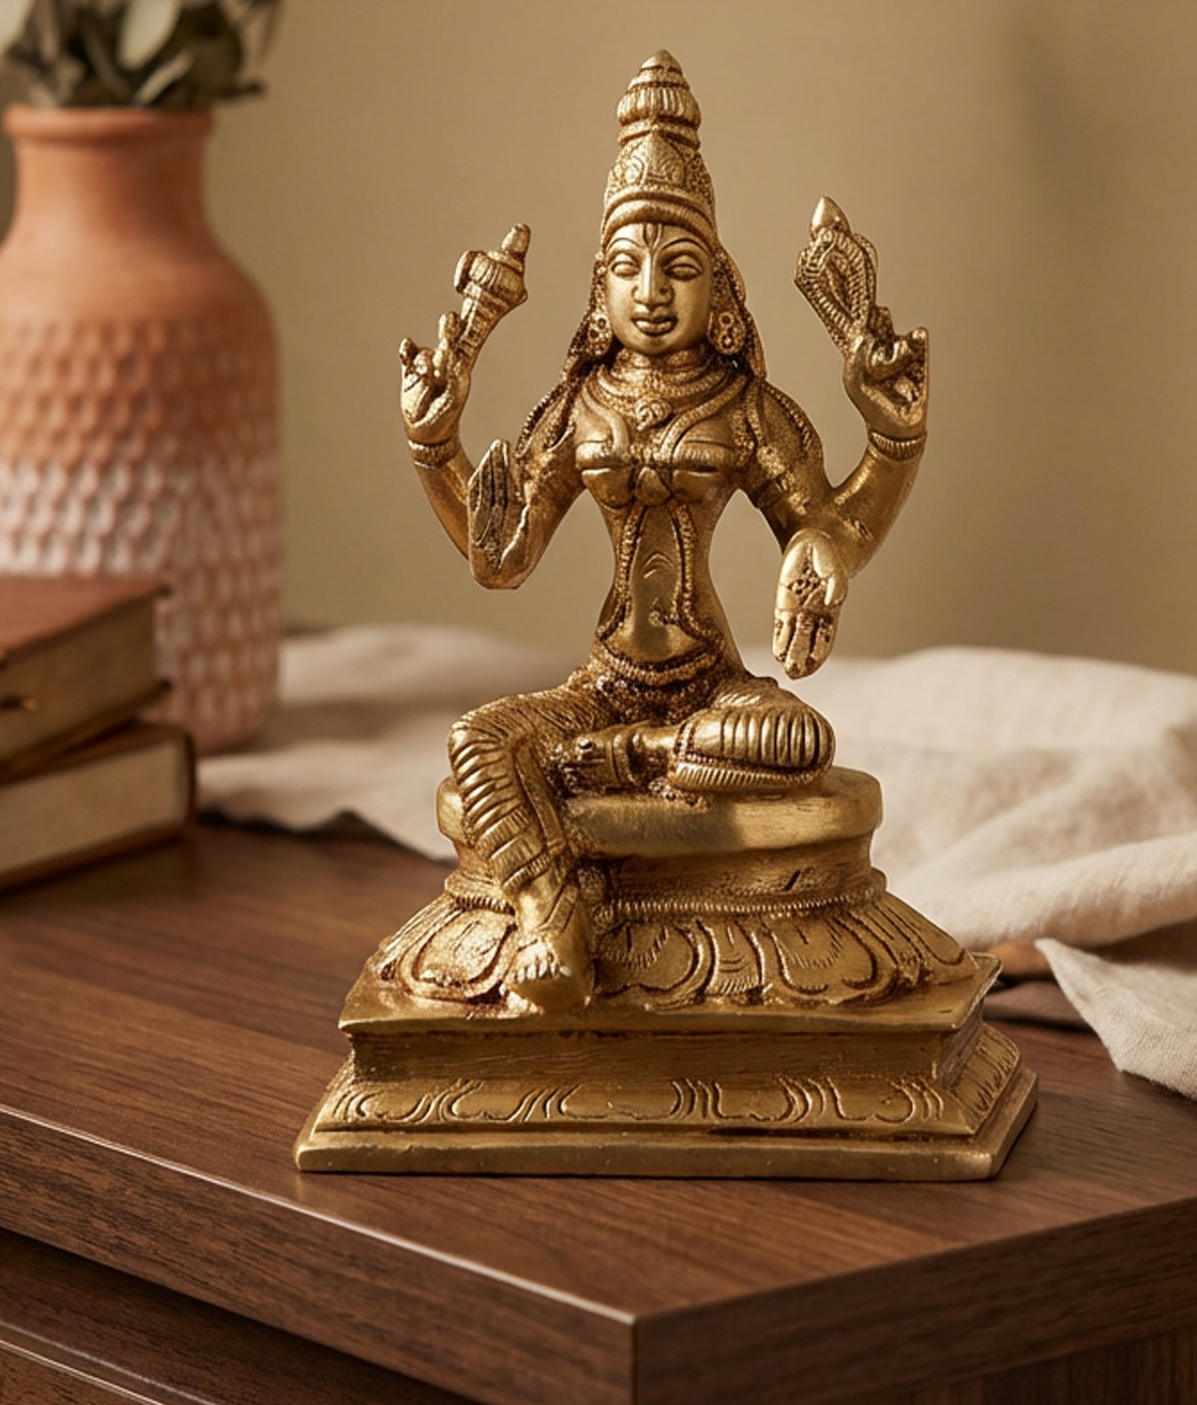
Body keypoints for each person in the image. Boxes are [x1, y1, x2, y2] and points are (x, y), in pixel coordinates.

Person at [397, 52, 929, 1011]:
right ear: (598, 288)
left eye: (678, 267)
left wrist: (893, 439)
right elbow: (500, 559)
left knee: (796, 741)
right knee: (479, 741)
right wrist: (435, 443)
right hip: (604, 684)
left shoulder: (744, 408)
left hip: (711, 692)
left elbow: (827, 527)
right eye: (627, 267)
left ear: (718, 288)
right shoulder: (576, 408)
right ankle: (551, 911)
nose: (650, 289)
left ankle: (616, 771)